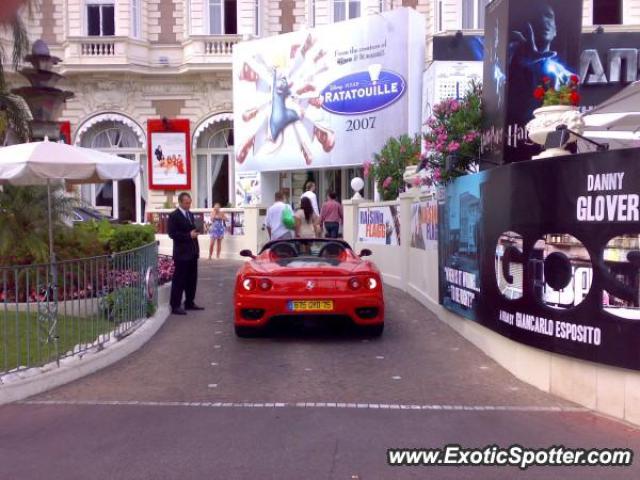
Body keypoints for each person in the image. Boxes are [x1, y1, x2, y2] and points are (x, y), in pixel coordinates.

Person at [168, 192, 204, 315]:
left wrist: (196, 231)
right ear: (180, 202)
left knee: (192, 279)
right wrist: (188, 235)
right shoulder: (174, 216)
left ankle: (189, 302)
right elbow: (172, 234)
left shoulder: (190, 214)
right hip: (181, 254)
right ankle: (175, 305)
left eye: (190, 202)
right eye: (186, 203)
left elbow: (192, 230)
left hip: (192, 252)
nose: (189, 205)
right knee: (179, 280)